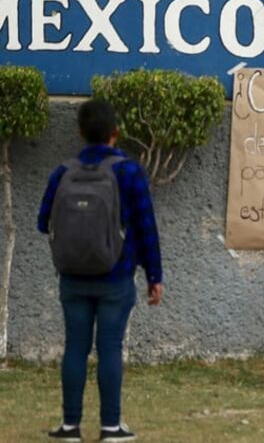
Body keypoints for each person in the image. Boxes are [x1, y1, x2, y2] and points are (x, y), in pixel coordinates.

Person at [38, 99, 163, 442]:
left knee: (75, 347)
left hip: (72, 277)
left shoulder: (63, 171)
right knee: (109, 346)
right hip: (116, 277)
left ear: (80, 132)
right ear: (115, 133)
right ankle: (110, 427)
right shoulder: (129, 171)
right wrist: (155, 276)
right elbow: (146, 226)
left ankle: (69, 426)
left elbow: (41, 221)